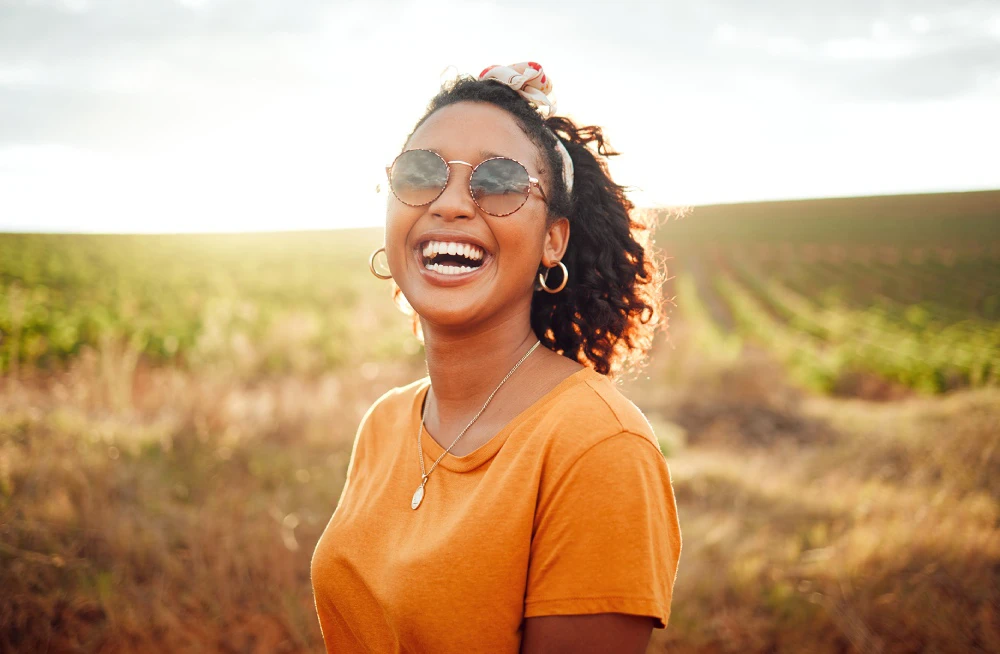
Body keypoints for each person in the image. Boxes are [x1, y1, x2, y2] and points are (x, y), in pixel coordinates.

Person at [310, 62, 682, 653]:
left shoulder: (598, 449)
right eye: (420, 173)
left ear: (553, 239)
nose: (451, 203)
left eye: (500, 181)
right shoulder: (385, 423)